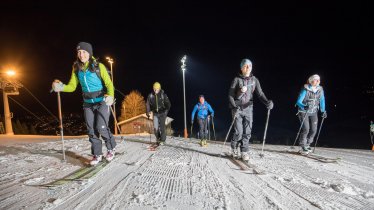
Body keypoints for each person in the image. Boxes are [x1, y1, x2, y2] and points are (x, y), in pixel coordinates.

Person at [51, 42, 116, 166]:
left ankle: (111, 148)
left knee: (101, 127)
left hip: (101, 100)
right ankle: (97, 154)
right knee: (91, 129)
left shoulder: (98, 66)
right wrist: (61, 87)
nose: (81, 55)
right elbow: (72, 86)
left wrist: (111, 97)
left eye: (84, 52)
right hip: (88, 103)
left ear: (89, 53)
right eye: (79, 52)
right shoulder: (76, 68)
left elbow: (109, 84)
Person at [228, 58, 274, 161]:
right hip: (237, 108)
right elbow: (230, 95)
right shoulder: (237, 79)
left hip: (248, 108)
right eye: (245, 66)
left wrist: (267, 102)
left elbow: (260, 94)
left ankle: (244, 151)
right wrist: (234, 106)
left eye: (249, 66)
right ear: (241, 68)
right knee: (238, 132)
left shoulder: (254, 80)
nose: (248, 67)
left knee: (247, 131)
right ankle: (234, 148)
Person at [295, 74, 327, 153]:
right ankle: (303, 145)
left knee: (313, 130)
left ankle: (308, 144)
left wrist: (323, 111)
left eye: (318, 80)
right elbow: (298, 102)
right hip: (303, 112)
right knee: (306, 129)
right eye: (316, 80)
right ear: (311, 81)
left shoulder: (320, 89)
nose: (317, 81)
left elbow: (322, 100)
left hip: (313, 112)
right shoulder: (305, 89)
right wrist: (303, 106)